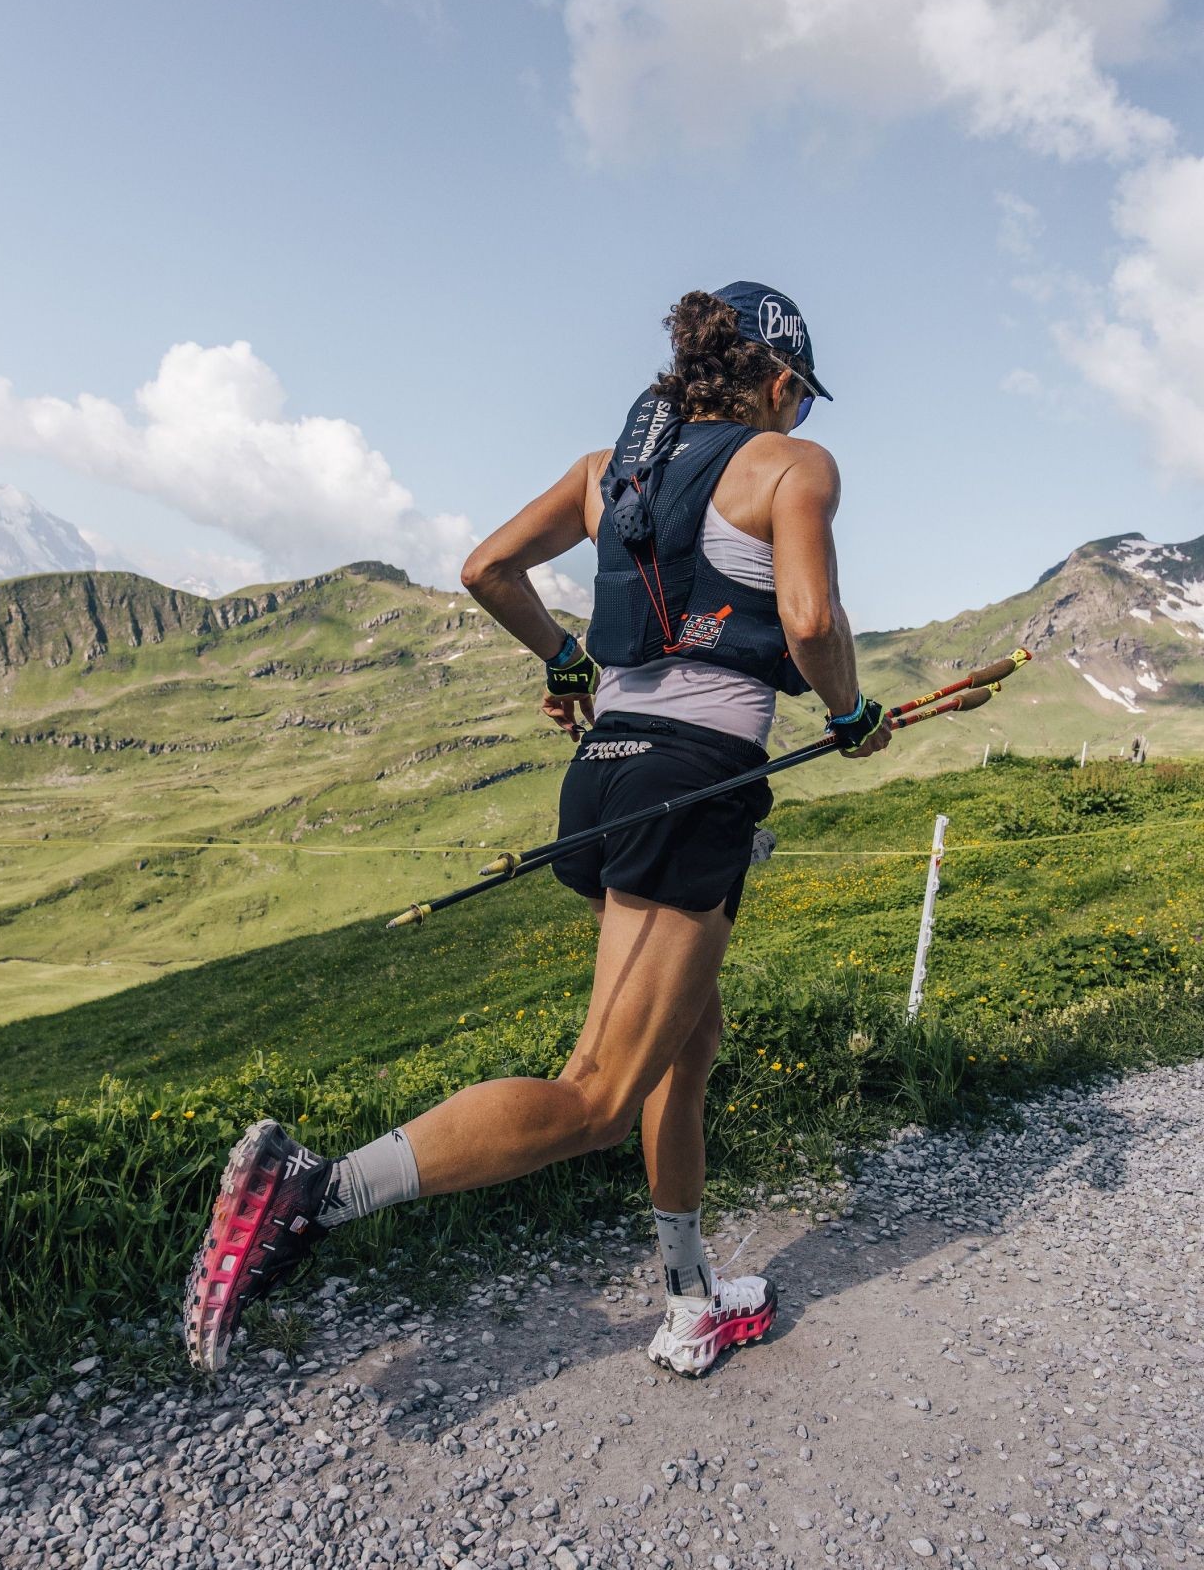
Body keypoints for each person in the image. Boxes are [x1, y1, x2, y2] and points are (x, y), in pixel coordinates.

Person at [183, 282, 889, 1377]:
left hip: (606, 773)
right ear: (779, 381)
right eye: (801, 402)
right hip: (691, 784)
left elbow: (486, 570)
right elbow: (806, 620)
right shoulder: (794, 468)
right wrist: (849, 715)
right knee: (602, 1092)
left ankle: (691, 1299)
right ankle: (313, 1192)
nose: (802, 423)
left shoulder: (609, 473)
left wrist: (565, 661)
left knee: (684, 1052)